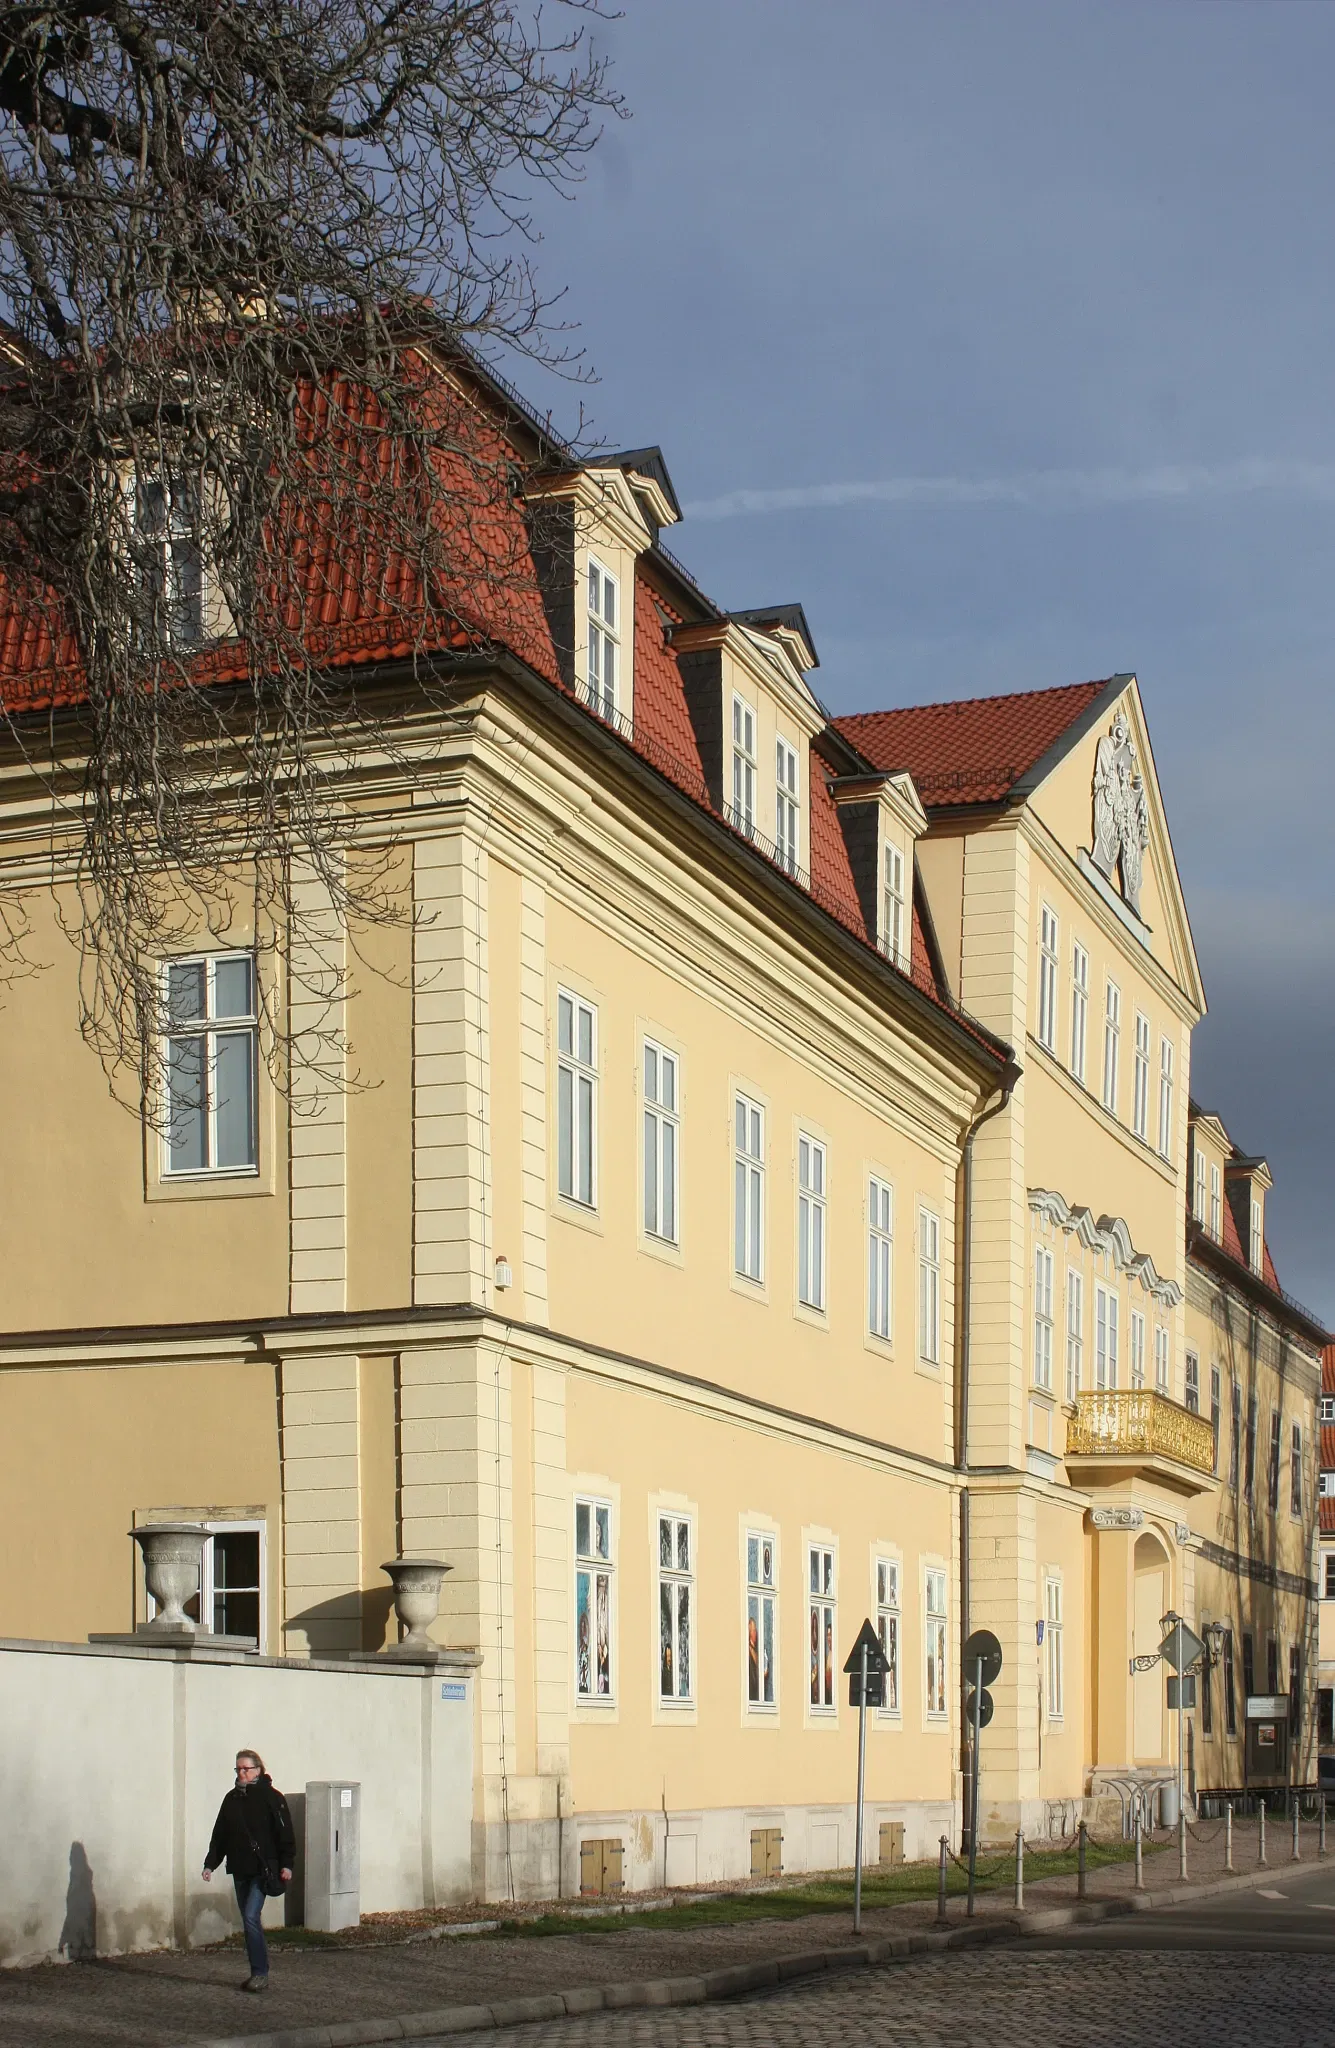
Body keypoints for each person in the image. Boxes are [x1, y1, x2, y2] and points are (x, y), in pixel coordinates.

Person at [202, 1750, 295, 1992]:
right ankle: (257, 1970)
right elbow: (220, 1834)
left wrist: (287, 1864)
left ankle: (260, 1973)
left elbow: (285, 1835)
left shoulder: (273, 1798)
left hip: (263, 1871)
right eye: (238, 1769)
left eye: (246, 1769)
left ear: (258, 1770)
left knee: (251, 1916)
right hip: (240, 1868)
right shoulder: (231, 1799)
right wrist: (210, 1864)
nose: (242, 1773)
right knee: (248, 1919)